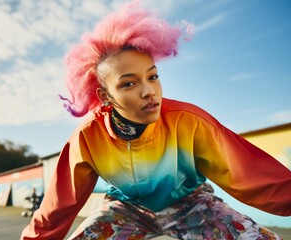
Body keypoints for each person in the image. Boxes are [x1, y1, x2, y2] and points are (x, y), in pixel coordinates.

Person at [21, 1, 291, 239]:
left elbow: (248, 173)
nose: (148, 90)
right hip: (125, 211)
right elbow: (58, 206)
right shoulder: (87, 138)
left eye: (152, 76)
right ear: (104, 95)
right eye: (128, 84)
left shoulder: (189, 121)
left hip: (193, 205)